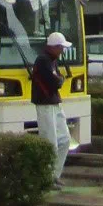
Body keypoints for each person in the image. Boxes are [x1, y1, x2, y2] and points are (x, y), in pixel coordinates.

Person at [29, 31, 72, 181]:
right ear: (54, 47)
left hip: (54, 103)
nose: (62, 51)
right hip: (44, 104)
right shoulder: (43, 61)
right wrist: (60, 80)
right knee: (50, 143)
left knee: (65, 140)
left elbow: (57, 79)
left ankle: (54, 176)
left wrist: (59, 80)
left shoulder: (52, 60)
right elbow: (56, 82)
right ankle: (47, 178)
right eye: (61, 48)